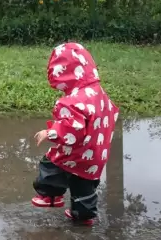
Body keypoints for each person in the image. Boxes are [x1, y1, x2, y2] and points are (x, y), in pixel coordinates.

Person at [31, 42, 119, 226]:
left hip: (76, 152)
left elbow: (73, 131)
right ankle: (83, 215)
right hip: (96, 154)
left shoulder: (71, 101)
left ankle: (50, 197)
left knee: (51, 163)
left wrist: (51, 132)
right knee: (85, 184)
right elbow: (111, 113)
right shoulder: (99, 93)